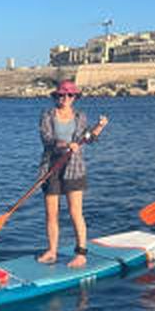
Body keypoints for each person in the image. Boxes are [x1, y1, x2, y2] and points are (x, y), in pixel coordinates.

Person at [37, 80, 108, 268]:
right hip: (51, 168)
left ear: (75, 97)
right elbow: (48, 140)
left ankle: (81, 253)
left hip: (74, 169)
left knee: (75, 212)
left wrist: (99, 128)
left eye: (69, 95)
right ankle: (52, 251)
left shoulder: (80, 116)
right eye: (61, 95)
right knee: (51, 214)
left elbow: (87, 139)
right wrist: (66, 145)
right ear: (56, 97)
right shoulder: (47, 115)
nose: (65, 98)